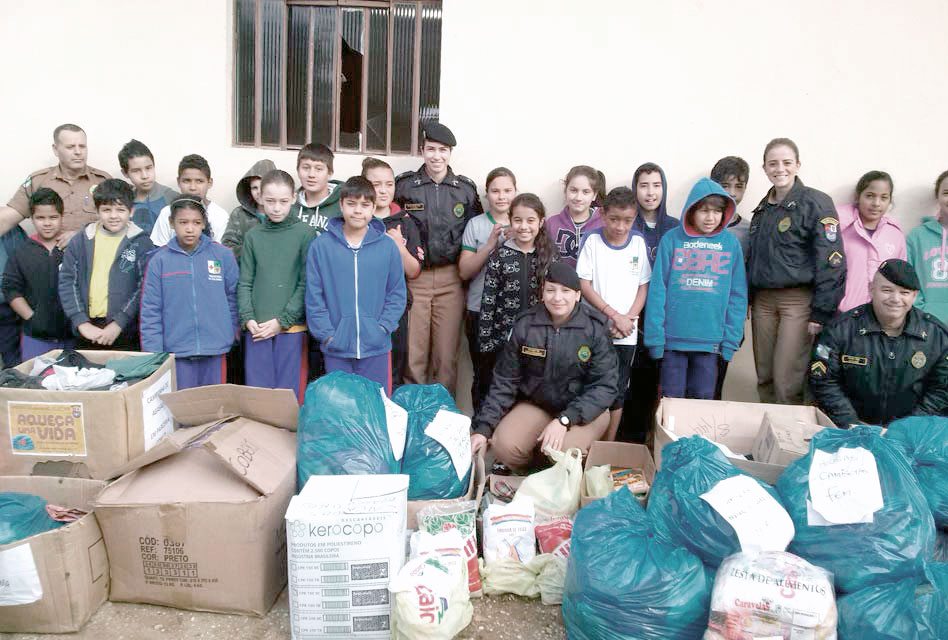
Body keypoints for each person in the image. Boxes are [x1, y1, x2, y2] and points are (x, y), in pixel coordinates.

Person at [470, 262, 618, 470]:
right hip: (539, 405)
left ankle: (567, 470)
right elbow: (505, 381)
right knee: (504, 445)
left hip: (584, 410)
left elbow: (605, 386)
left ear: (577, 295)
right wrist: (483, 429)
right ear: (542, 293)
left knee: (564, 452)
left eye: (565, 291)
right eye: (551, 290)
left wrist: (565, 419)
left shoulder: (594, 328)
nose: (557, 298)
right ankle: (535, 474)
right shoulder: (526, 325)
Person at [746, 138, 846, 405]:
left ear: (798, 165)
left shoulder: (816, 202)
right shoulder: (762, 209)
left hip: (797, 302)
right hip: (763, 302)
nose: (780, 169)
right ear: (765, 168)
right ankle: (769, 440)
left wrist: (822, 311)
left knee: (787, 379)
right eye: (773, 163)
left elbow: (832, 260)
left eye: (787, 162)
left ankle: (788, 442)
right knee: (764, 376)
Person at [394, 121, 482, 393]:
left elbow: (473, 234)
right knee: (414, 356)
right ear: (422, 151)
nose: (436, 156)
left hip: (451, 280)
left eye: (443, 150)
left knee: (446, 359)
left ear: (450, 153)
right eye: (431, 149)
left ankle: (442, 423)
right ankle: (411, 419)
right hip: (416, 279)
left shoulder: (464, 190)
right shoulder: (406, 187)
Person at [809, 259, 948, 426]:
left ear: (914, 296)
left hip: (910, 433)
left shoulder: (937, 336)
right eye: (887, 290)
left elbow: (941, 389)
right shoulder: (841, 329)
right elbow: (824, 381)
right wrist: (852, 424)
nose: (895, 299)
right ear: (871, 289)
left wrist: (907, 428)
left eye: (904, 293)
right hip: (850, 428)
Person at [644, 178, 748, 399]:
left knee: (702, 405)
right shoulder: (671, 240)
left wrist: (730, 341)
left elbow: (737, 297)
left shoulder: (731, 245)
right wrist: (655, 339)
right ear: (691, 211)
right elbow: (657, 291)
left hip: (711, 345)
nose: (710, 217)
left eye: (716, 211)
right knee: (670, 405)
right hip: (672, 343)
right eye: (703, 210)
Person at [305, 176, 407, 394]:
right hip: (337, 347)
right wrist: (328, 335)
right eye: (351, 204)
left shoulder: (387, 247)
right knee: (342, 410)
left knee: (376, 407)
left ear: (373, 208)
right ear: (341, 205)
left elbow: (397, 293)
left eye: (364, 205)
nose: (357, 211)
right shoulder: (321, 246)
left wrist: (382, 328)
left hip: (376, 347)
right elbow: (314, 296)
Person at [140, 197, 239, 389]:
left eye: (196, 222)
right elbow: (150, 310)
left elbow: (233, 297)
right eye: (183, 222)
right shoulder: (159, 261)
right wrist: (154, 353)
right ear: (171, 223)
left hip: (215, 348)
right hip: (176, 352)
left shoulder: (223, 255)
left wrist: (231, 332)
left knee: (213, 408)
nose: (189, 228)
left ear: (204, 224)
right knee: (183, 410)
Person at [577, 187, 651, 440]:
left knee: (618, 389)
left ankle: (608, 444)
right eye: (614, 219)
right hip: (596, 328)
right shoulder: (592, 240)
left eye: (628, 220)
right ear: (603, 215)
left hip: (626, 331)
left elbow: (643, 285)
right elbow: (584, 284)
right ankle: (586, 442)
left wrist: (628, 318)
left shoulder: (639, 243)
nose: (621, 226)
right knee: (589, 385)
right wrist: (611, 315)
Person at [237, 170, 315, 401]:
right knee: (259, 396)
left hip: (291, 331)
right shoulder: (253, 236)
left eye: (283, 201)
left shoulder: (305, 234)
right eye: (270, 201)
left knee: (288, 397)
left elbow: (306, 283)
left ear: (294, 197)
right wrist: (248, 318)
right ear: (260, 198)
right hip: (257, 331)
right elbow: (245, 282)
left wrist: (283, 322)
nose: (277, 208)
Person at [617, 162, 679, 443]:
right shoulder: (626, 225)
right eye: (644, 185)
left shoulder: (675, 228)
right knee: (627, 383)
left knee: (655, 383)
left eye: (656, 185)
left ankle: (650, 442)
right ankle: (624, 442)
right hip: (628, 315)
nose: (650, 192)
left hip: (663, 318)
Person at [58, 178, 153, 351]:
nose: (113, 216)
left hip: (125, 333)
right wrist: (81, 321)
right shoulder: (81, 240)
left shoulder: (141, 242)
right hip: (86, 331)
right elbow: (67, 282)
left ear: (131, 211)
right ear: (97, 211)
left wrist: (119, 323)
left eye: (120, 210)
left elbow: (144, 287)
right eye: (106, 210)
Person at [478, 193, 555, 397]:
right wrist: (486, 341)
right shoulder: (499, 256)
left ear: (541, 222)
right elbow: (488, 300)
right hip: (503, 339)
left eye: (530, 220)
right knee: (499, 389)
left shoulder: (548, 256)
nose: (524, 226)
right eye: (518, 220)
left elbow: (556, 300)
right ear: (510, 221)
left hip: (538, 338)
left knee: (531, 390)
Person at [363, 157, 422, 390]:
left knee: (393, 367)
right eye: (376, 184)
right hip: (361, 307)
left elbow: (414, 270)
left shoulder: (404, 222)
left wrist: (398, 246)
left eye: (389, 184)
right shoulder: (357, 219)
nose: (383, 190)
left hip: (394, 308)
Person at [460, 167, 515, 412]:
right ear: (486, 194)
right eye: (495, 191)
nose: (501, 196)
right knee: (483, 375)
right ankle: (480, 431)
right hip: (479, 310)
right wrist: (491, 244)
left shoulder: (523, 222)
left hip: (514, 313)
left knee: (515, 375)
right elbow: (464, 270)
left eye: (507, 190)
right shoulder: (476, 224)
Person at [0, 123, 110, 241]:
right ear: (56, 149)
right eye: (70, 147)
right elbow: (6, 219)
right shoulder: (38, 181)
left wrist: (82, 234)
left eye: (82, 146)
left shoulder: (104, 181)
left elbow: (121, 221)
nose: (78, 152)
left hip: (91, 252)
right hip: (50, 255)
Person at [2, 189, 74, 360]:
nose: (47, 223)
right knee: (35, 382)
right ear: (32, 219)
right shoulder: (22, 251)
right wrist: (32, 318)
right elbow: (11, 289)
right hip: (35, 337)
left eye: (53, 217)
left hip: (72, 334)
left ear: (62, 216)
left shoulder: (74, 248)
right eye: (40, 218)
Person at [710, 155, 752, 399]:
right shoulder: (696, 227)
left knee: (717, 380)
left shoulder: (748, 230)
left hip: (729, 318)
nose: (733, 193)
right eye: (727, 186)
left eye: (739, 186)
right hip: (699, 315)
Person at [837, 170, 906, 312]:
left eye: (884, 197)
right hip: (841, 315)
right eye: (870, 196)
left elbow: (901, 279)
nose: (876, 203)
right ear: (858, 197)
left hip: (880, 317)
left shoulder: (895, 235)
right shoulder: (840, 229)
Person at [150, 154, 228, 245]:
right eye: (187, 181)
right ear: (178, 182)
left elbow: (220, 254)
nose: (192, 187)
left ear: (209, 183)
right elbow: (159, 250)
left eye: (199, 181)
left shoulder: (220, 216)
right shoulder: (167, 213)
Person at [906, 170, 948, 324]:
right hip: (926, 324)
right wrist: (922, 313)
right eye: (946, 192)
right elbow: (908, 279)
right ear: (937, 196)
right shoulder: (917, 236)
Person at [545, 165, 604, 267]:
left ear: (594, 195)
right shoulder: (551, 223)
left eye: (586, 192)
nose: (578, 197)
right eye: (573, 190)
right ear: (565, 191)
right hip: (559, 282)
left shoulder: (604, 223)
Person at [118, 139, 179, 236]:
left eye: (148, 168)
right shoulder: (124, 200)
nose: (145, 176)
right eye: (136, 170)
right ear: (125, 173)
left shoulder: (171, 198)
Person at [221, 159, 276, 260]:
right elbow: (227, 247)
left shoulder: (282, 214)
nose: (259, 192)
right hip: (245, 272)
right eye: (254, 188)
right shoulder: (239, 214)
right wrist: (254, 251)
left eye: (263, 186)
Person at [292, 143, 342, 235]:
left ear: (330, 173)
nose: (311, 174)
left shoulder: (342, 205)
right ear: (298, 171)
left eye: (318, 169)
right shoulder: (290, 204)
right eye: (306, 168)